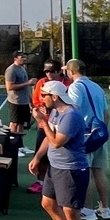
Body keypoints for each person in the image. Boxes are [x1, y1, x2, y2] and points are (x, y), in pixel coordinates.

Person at [27, 80, 90, 220]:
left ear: (54, 97)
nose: (41, 99)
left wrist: (42, 122)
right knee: (48, 204)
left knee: (71, 214)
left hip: (71, 170)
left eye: (44, 95)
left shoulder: (71, 116)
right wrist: (37, 157)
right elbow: (48, 138)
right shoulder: (55, 112)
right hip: (55, 168)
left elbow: (56, 141)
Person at [65, 58, 110, 220]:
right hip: (99, 134)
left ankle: (88, 210)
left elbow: (74, 112)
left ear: (71, 72)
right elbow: (106, 115)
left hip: (85, 136)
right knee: (99, 171)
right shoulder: (97, 87)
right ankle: (105, 209)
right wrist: (99, 132)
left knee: (86, 173)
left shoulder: (75, 87)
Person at [25, 59, 72, 195]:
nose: (48, 74)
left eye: (51, 71)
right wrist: (41, 107)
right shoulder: (41, 82)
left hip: (60, 124)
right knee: (43, 153)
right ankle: (41, 181)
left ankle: (60, 185)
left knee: (61, 154)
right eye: (46, 71)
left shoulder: (68, 84)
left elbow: (68, 102)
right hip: (45, 124)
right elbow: (35, 101)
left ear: (58, 71)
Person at [4, 51, 36, 136]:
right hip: (16, 101)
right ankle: (11, 143)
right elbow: (9, 87)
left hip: (24, 101)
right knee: (14, 123)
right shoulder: (11, 70)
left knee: (21, 123)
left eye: (25, 57)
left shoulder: (22, 68)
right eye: (22, 57)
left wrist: (30, 100)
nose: (24, 59)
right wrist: (28, 83)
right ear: (15, 59)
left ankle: (19, 144)